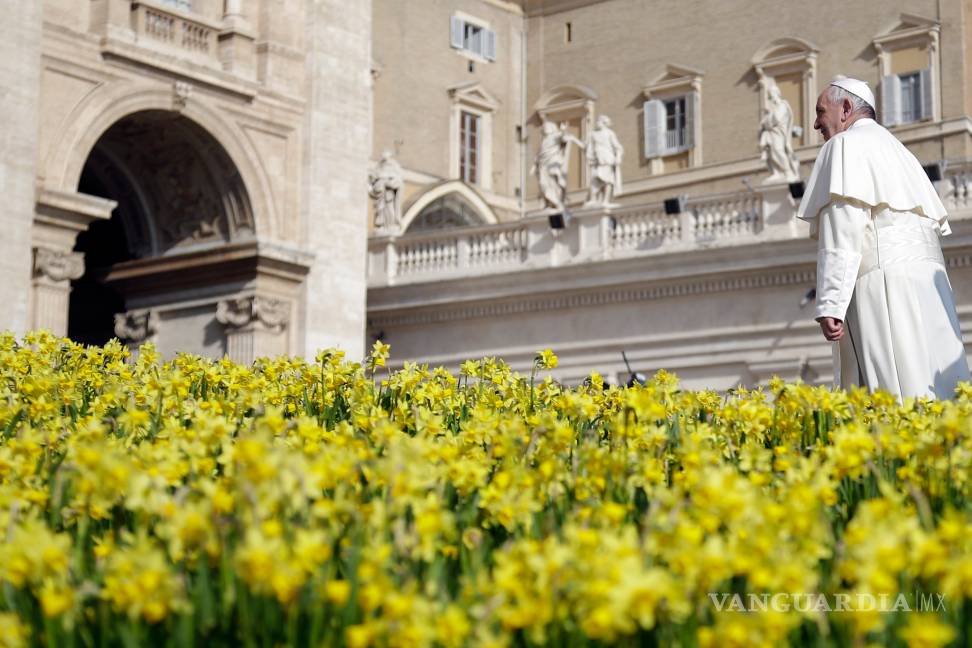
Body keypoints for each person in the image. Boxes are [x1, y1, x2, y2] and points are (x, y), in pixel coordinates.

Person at [797, 76, 969, 400]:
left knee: (894, 397)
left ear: (845, 108)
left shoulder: (844, 145)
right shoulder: (902, 153)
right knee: (940, 392)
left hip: (883, 286)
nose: (816, 123)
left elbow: (843, 225)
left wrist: (831, 301)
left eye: (821, 111)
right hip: (931, 291)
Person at [532, 121, 582, 212]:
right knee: (543, 184)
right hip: (543, 165)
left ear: (552, 128)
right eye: (544, 127)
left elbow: (564, 137)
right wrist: (534, 167)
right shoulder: (544, 141)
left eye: (547, 127)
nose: (545, 128)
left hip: (553, 162)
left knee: (554, 182)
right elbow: (538, 155)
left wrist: (563, 130)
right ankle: (550, 203)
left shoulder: (555, 135)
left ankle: (556, 203)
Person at [759, 83, 800, 182]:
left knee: (778, 150)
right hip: (772, 133)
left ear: (777, 93)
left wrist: (767, 121)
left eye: (772, 93)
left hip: (779, 133)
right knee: (772, 152)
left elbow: (776, 119)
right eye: (769, 94)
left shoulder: (782, 105)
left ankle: (787, 171)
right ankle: (777, 172)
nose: (770, 96)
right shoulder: (773, 108)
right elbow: (765, 122)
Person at [584, 115, 623, 206]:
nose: (597, 123)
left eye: (599, 121)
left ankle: (605, 200)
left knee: (607, 179)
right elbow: (587, 146)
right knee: (595, 178)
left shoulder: (609, 133)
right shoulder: (593, 134)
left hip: (607, 158)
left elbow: (618, 147)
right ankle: (594, 199)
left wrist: (618, 157)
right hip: (597, 160)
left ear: (604, 123)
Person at [368, 150, 403, 230]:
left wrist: (389, 183)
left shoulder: (394, 167)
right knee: (381, 210)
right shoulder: (379, 167)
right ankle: (382, 225)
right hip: (381, 195)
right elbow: (373, 178)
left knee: (389, 210)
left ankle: (390, 225)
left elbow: (397, 182)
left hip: (389, 195)